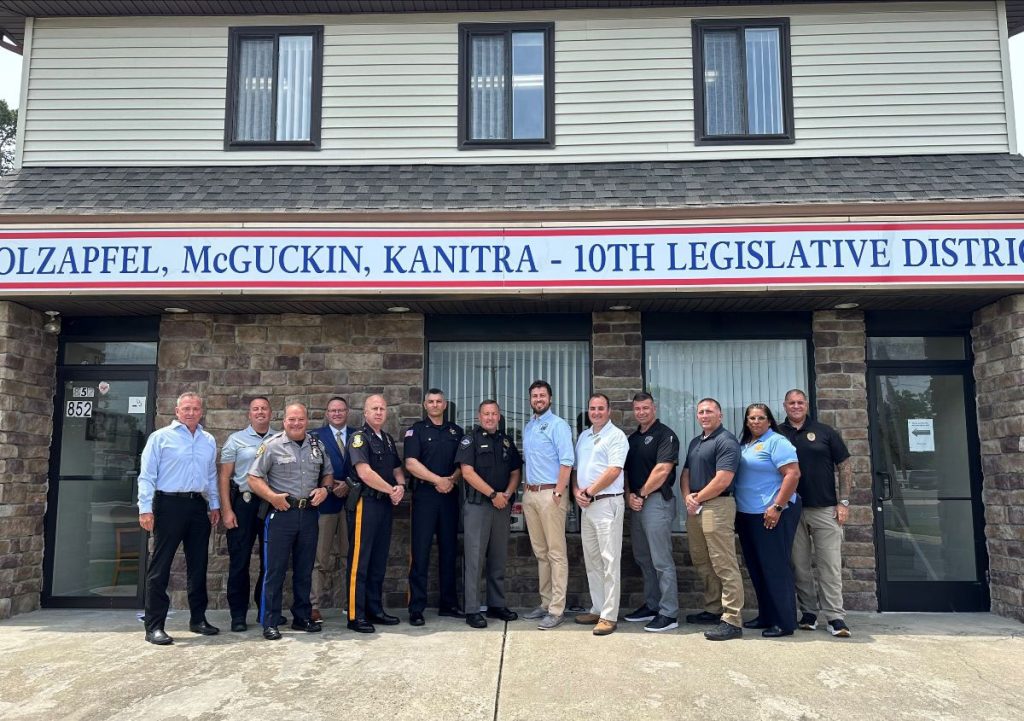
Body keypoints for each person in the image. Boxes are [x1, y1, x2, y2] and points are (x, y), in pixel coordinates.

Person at [137, 391, 220, 646]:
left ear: (201, 411)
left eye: (195, 408)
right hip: (168, 504)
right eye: (186, 408)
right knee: (160, 566)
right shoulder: (160, 437)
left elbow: (211, 475)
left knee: (199, 565)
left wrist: (214, 505)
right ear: (177, 411)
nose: (191, 412)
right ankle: (155, 626)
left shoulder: (208, 439)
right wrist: (145, 508)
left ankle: (198, 619)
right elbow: (147, 474)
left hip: (197, 506)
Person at [246, 402, 333, 640]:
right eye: (291, 419)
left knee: (305, 570)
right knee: (275, 571)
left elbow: (328, 472)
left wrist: (325, 489)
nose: (296, 423)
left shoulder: (317, 445)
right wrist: (272, 497)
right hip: (281, 514)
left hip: (308, 514)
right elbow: (253, 478)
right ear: (284, 421)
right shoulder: (272, 445)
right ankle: (270, 621)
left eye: (301, 419)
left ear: (307, 420)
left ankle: (302, 617)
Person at [779, 389, 853, 638]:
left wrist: (843, 502)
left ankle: (835, 617)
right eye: (792, 403)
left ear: (807, 405)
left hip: (825, 508)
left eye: (800, 402)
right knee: (799, 565)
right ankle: (808, 613)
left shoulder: (825, 432)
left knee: (829, 565)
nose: (796, 406)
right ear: (785, 406)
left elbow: (845, 465)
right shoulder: (777, 433)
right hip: (791, 510)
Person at [734, 402, 802, 638]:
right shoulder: (746, 444)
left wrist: (777, 506)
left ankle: (784, 622)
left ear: (770, 420)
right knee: (757, 567)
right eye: (751, 418)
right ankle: (766, 615)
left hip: (772, 514)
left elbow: (793, 474)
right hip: (747, 514)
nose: (755, 422)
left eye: (760, 418)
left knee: (775, 567)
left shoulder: (777, 442)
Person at [680, 397, 744, 642]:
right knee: (702, 559)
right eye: (700, 412)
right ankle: (713, 608)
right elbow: (685, 473)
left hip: (717, 506)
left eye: (709, 411)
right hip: (697, 508)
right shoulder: (697, 442)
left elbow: (723, 480)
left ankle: (732, 619)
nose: (704, 415)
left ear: (720, 415)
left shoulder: (726, 441)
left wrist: (697, 498)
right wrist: (688, 497)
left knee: (723, 561)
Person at [456, 400, 522, 629]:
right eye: (486, 414)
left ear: (499, 416)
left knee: (498, 557)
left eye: (494, 414)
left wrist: (507, 494)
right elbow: (467, 472)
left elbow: (515, 471)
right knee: (474, 559)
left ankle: (496, 604)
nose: (490, 417)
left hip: (501, 507)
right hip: (478, 507)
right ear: (478, 416)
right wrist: (493, 494)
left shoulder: (506, 440)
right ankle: (472, 609)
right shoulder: (470, 440)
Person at [346, 394, 407, 633]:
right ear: (365, 412)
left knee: (378, 560)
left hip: (384, 505)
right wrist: (391, 489)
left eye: (382, 408)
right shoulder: (359, 439)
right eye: (375, 408)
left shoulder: (388, 439)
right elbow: (365, 473)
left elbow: (396, 468)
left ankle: (374, 610)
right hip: (366, 504)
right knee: (360, 561)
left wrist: (400, 486)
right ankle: (355, 614)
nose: (379, 412)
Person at [404, 388, 464, 626]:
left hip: (450, 496)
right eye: (431, 401)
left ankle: (448, 604)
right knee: (420, 552)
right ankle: (416, 608)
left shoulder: (456, 431)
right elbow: (410, 462)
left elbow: (464, 463)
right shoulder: (416, 431)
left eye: (439, 401)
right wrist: (437, 480)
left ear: (445, 405)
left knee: (449, 551)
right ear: (424, 405)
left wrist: (451, 479)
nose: (435, 405)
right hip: (425, 497)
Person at [623, 392, 681, 632]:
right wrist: (629, 496)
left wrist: (642, 494)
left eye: (645, 408)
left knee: (661, 560)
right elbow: (624, 472)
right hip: (637, 503)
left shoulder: (665, 435)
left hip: (656, 501)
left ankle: (669, 613)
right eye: (637, 409)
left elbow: (662, 470)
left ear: (654, 408)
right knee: (643, 558)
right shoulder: (633, 438)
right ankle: (652, 604)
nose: (641, 412)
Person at [218, 396, 277, 632]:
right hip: (243, 504)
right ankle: (238, 615)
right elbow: (224, 477)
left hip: (271, 505)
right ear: (249, 414)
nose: (260, 412)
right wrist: (227, 510)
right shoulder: (236, 440)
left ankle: (264, 610)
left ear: (270, 413)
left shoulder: (279, 438)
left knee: (270, 562)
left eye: (264, 408)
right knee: (240, 562)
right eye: (255, 409)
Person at [572, 393, 628, 636]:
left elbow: (614, 470)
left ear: (609, 410)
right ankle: (597, 608)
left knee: (609, 560)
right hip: (587, 505)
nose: (596, 412)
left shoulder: (616, 436)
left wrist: (589, 491)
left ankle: (609, 615)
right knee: (593, 560)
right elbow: (576, 469)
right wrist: (577, 491)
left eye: (600, 408)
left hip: (607, 504)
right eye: (592, 408)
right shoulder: (584, 436)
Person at [521, 379, 575, 630]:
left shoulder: (558, 425)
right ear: (530, 399)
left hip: (550, 495)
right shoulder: (529, 426)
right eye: (534, 396)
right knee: (541, 553)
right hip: (531, 495)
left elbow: (567, 461)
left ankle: (557, 609)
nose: (538, 399)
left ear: (550, 399)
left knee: (556, 553)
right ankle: (545, 604)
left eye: (542, 395)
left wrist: (558, 492)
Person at [310, 396, 356, 623]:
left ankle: (352, 603)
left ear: (347, 412)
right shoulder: (315, 436)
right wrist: (329, 486)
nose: (337, 414)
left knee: (351, 556)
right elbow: (310, 468)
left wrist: (348, 484)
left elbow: (364, 465)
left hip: (351, 503)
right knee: (320, 557)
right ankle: (313, 605)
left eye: (341, 410)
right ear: (327, 413)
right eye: (332, 411)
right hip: (325, 503)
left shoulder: (358, 435)